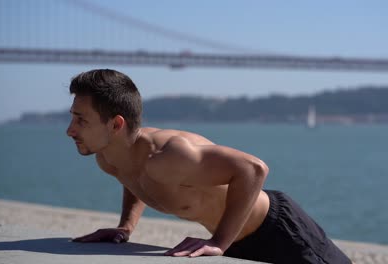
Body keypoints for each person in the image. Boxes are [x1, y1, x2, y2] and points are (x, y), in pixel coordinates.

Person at [67, 69, 352, 263]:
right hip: (234, 242)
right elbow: (134, 178)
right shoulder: (109, 158)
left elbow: (253, 169)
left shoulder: (170, 155)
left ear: (116, 124)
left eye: (81, 120)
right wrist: (125, 228)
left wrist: (219, 242)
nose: (70, 130)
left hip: (279, 230)